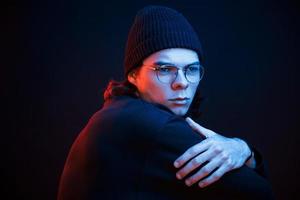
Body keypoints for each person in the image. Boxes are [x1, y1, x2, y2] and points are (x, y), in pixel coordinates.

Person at [58, 5, 274, 199]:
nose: (181, 83)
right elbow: (260, 193)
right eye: (165, 69)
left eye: (191, 69)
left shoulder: (115, 116)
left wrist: (243, 150)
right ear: (133, 75)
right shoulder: (150, 126)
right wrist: (244, 149)